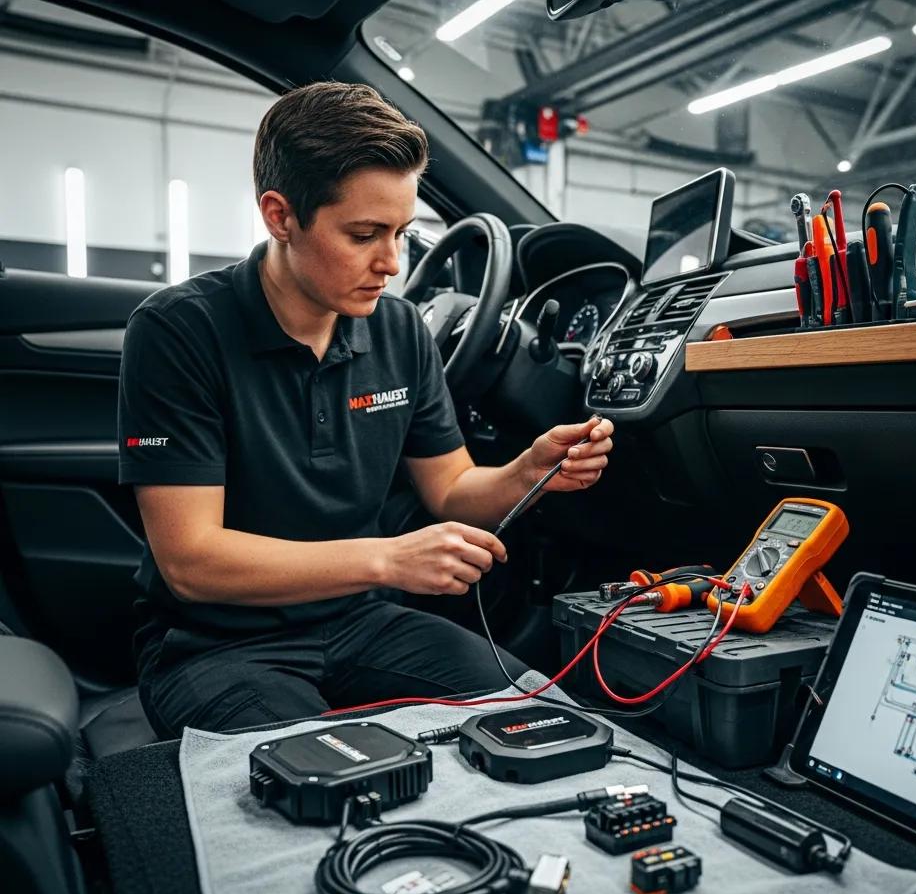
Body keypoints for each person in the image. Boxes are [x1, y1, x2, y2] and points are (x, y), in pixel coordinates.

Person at [118, 82, 614, 738]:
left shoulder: (401, 330)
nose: (390, 262)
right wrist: (387, 560)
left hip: (361, 623)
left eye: (403, 233)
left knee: (542, 725)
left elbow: (454, 491)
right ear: (280, 215)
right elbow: (191, 560)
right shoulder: (179, 332)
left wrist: (528, 471)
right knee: (315, 785)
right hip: (214, 646)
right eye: (364, 234)